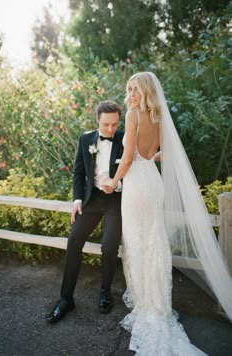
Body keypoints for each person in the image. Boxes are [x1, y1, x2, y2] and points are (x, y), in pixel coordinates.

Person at [103, 72, 232, 355]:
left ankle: (148, 304)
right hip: (153, 181)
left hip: (137, 184)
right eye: (129, 89)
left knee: (139, 242)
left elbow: (126, 159)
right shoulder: (159, 117)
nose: (132, 94)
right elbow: (157, 154)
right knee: (154, 241)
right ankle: (158, 304)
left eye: (136, 89)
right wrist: (142, 158)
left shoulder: (134, 115)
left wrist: (113, 182)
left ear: (146, 91)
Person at [45, 100, 124, 323]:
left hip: (115, 200)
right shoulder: (85, 138)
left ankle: (105, 292)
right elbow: (79, 173)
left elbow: (134, 173)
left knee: (109, 247)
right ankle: (65, 298)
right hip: (91, 200)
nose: (110, 129)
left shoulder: (125, 138)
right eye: (106, 124)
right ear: (97, 120)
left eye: (115, 125)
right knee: (74, 241)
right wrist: (77, 200)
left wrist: (118, 185)